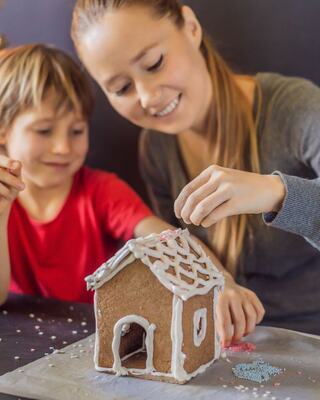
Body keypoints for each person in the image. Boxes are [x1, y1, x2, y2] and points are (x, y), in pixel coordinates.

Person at [71, 0, 320, 337]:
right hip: (224, 343)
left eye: (154, 63)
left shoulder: (295, 108)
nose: (147, 96)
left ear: (190, 27)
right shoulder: (156, 148)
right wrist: (218, 283)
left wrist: (275, 194)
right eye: (122, 88)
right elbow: (182, 251)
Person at [0, 43, 175, 306]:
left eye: (77, 131)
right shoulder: (4, 199)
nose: (62, 148)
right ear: (3, 130)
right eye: (44, 131)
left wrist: (220, 281)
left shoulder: (101, 191)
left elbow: (163, 238)